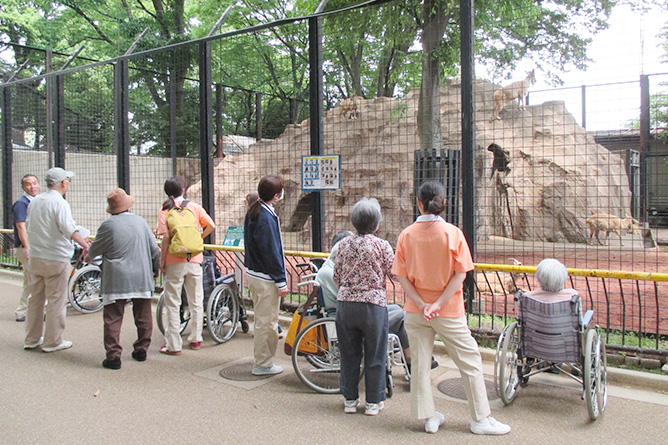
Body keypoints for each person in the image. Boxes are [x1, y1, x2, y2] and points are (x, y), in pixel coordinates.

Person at [392, 180, 511, 435]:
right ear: (443, 203)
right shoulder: (453, 234)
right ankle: (480, 419)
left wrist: (423, 303)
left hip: (415, 310)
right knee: (469, 361)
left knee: (421, 364)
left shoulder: (406, 235)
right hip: (448, 310)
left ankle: (429, 417)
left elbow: (401, 276)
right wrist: (437, 304)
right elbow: (460, 274)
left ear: (419, 203)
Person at [316, 230, 439, 371]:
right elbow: (348, 296)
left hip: (351, 313)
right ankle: (412, 361)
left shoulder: (328, 269)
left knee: (399, 312)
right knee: (401, 316)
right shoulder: (328, 273)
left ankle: (411, 361)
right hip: (353, 317)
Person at [86, 188, 160, 369]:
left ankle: (113, 357)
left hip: (116, 277)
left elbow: (93, 252)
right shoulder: (141, 222)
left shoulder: (107, 225)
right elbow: (155, 251)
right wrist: (155, 271)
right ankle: (141, 349)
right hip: (141, 275)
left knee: (113, 317)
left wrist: (89, 255)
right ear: (128, 206)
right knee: (143, 315)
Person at [333, 198, 394, 416]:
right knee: (375, 353)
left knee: (349, 353)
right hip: (373, 305)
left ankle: (350, 399)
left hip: (346, 305)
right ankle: (373, 401)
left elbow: (336, 275)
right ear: (377, 224)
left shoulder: (343, 245)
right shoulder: (382, 245)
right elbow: (394, 273)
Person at [24, 167, 90, 352]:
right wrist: (85, 245)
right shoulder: (60, 203)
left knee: (35, 299)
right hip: (56, 257)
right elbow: (68, 229)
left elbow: (30, 224)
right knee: (56, 300)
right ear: (63, 183)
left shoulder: (36, 201)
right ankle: (52, 341)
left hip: (36, 256)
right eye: (68, 180)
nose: (68, 183)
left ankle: (31, 338)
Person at [157, 176, 215, 355]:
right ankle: (196, 339)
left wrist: (162, 260)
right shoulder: (195, 207)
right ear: (183, 190)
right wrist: (198, 238)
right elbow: (211, 225)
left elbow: (165, 237)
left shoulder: (165, 210)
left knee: (173, 302)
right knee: (196, 300)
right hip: (195, 259)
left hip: (174, 261)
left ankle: (173, 345)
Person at [244, 175, 288, 376]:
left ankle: (262, 360)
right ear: (277, 195)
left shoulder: (256, 210)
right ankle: (262, 364)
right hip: (265, 278)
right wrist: (281, 281)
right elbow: (271, 251)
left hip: (255, 273)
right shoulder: (265, 217)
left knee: (263, 320)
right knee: (267, 322)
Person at [12, 174, 40, 322]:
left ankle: (25, 311)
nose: (32, 186)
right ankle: (23, 312)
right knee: (32, 280)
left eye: (35, 183)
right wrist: (27, 246)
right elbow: (20, 226)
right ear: (23, 187)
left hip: (33, 247)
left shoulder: (36, 201)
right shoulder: (22, 203)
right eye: (28, 184)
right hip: (26, 247)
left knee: (31, 280)